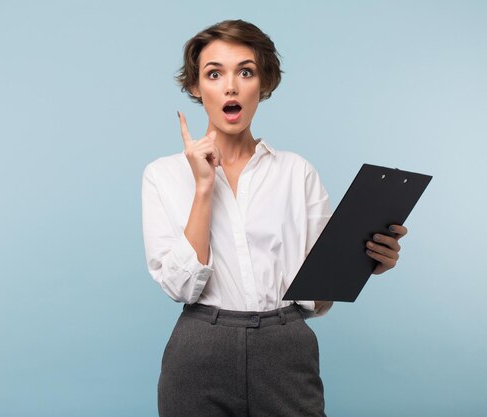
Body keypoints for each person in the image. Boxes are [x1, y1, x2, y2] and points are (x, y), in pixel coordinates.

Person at [141, 20, 406, 417]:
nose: (230, 86)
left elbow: (320, 294)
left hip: (286, 348)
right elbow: (181, 287)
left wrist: (365, 262)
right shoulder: (162, 175)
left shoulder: (297, 172)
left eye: (245, 71)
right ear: (197, 87)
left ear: (262, 83)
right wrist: (202, 187)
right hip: (199, 351)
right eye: (215, 73)